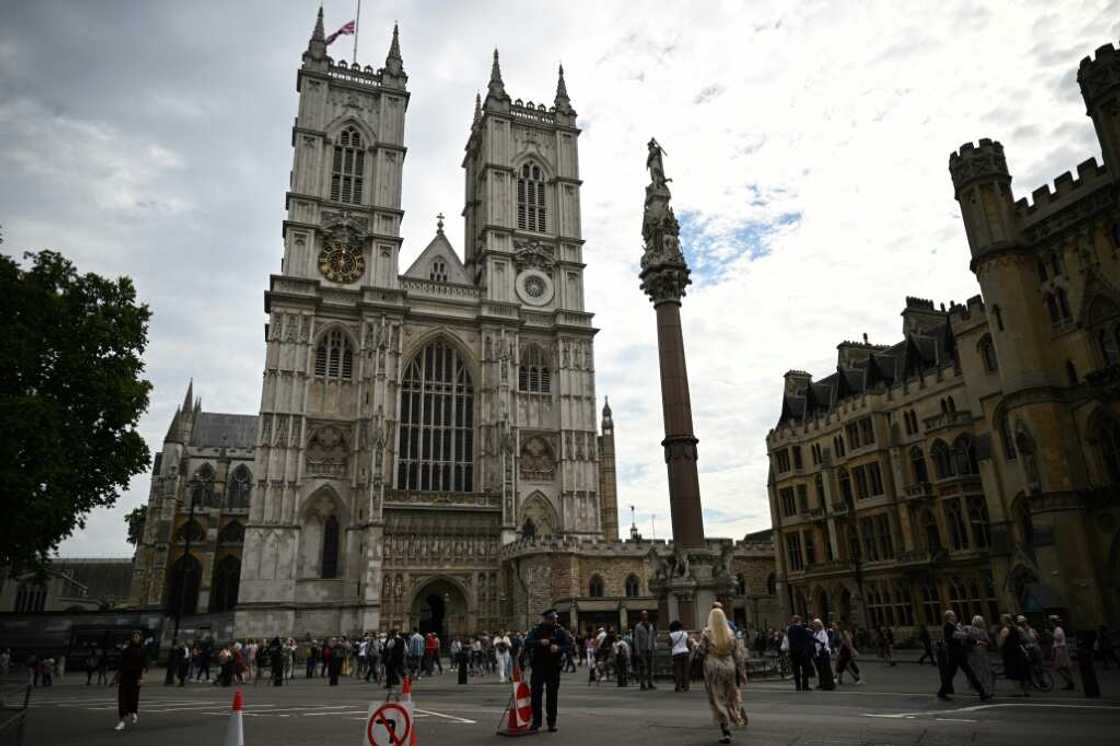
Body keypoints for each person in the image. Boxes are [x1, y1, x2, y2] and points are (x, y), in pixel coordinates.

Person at [694, 605, 746, 744]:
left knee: (717, 698)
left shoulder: (707, 632)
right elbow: (738, 654)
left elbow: (700, 651)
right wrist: (742, 672)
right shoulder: (730, 632)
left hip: (714, 667)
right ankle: (737, 713)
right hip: (729, 665)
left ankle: (726, 730)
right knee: (730, 694)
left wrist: (693, 643)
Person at [525, 608, 572, 733]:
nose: (554, 621)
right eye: (551, 619)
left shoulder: (560, 631)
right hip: (539, 666)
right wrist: (539, 642)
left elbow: (568, 646)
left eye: (555, 619)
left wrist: (558, 648)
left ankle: (552, 722)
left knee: (552, 695)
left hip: (553, 666)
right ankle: (536, 722)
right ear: (545, 619)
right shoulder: (537, 630)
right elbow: (528, 642)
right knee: (536, 694)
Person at [937, 610, 989, 701]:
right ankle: (982, 692)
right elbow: (949, 639)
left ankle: (942, 692)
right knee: (965, 673)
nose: (955, 617)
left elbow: (965, 638)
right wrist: (960, 635)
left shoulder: (954, 626)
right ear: (949, 617)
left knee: (956, 674)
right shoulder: (948, 626)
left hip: (959, 654)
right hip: (955, 654)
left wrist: (977, 642)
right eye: (953, 615)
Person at [115, 632, 146, 731]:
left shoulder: (142, 651)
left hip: (135, 678)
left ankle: (134, 712)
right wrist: (116, 678)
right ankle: (122, 721)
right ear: (131, 638)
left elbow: (142, 666)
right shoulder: (126, 650)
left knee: (133, 698)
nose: (135, 638)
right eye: (134, 637)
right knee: (122, 700)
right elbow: (121, 666)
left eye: (137, 637)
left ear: (140, 638)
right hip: (125, 678)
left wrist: (141, 678)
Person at [998, 614, 1030, 696]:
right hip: (1018, 650)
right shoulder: (1018, 628)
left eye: (1001, 620)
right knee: (1021, 670)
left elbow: (1000, 643)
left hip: (1010, 653)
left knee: (1013, 671)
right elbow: (1025, 638)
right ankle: (1025, 691)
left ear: (1004, 621)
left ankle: (1018, 691)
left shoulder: (1005, 629)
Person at [963, 615, 994, 696]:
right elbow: (988, 642)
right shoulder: (982, 631)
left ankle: (978, 689)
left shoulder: (968, 629)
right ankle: (987, 689)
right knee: (985, 671)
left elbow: (965, 639)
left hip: (972, 652)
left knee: (975, 671)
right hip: (982, 651)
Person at [785, 615, 814, 691]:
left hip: (793, 651)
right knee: (805, 669)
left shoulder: (790, 629)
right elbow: (806, 640)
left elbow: (789, 640)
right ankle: (805, 685)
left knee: (796, 669)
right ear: (799, 621)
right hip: (802, 652)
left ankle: (798, 686)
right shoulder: (802, 629)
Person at [1048, 616, 1075, 690]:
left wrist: (1050, 633)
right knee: (1065, 667)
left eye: (1050, 622)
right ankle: (1070, 683)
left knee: (1058, 667)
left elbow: (1058, 638)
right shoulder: (1058, 629)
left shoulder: (1058, 629)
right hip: (1061, 648)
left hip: (1060, 649)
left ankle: (1070, 681)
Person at [633, 610, 657, 691]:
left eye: (646, 615)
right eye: (643, 615)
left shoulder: (651, 625)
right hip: (642, 649)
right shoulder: (638, 626)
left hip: (650, 649)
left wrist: (654, 647)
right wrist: (637, 651)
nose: (645, 616)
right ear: (641, 616)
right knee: (643, 667)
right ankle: (642, 683)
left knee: (650, 667)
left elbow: (653, 637)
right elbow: (636, 639)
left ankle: (650, 683)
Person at [811, 619, 835, 690]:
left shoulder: (823, 633)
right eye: (813, 624)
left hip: (824, 653)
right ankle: (822, 683)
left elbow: (824, 642)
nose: (814, 626)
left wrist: (818, 643)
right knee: (820, 670)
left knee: (826, 669)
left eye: (815, 624)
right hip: (818, 653)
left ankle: (829, 685)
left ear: (819, 625)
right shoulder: (815, 633)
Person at [670, 620, 691, 692]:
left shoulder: (671, 635)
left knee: (678, 670)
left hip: (676, 653)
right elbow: (688, 643)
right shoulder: (685, 633)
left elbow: (669, 643)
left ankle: (678, 687)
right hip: (685, 652)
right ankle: (686, 687)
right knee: (686, 670)